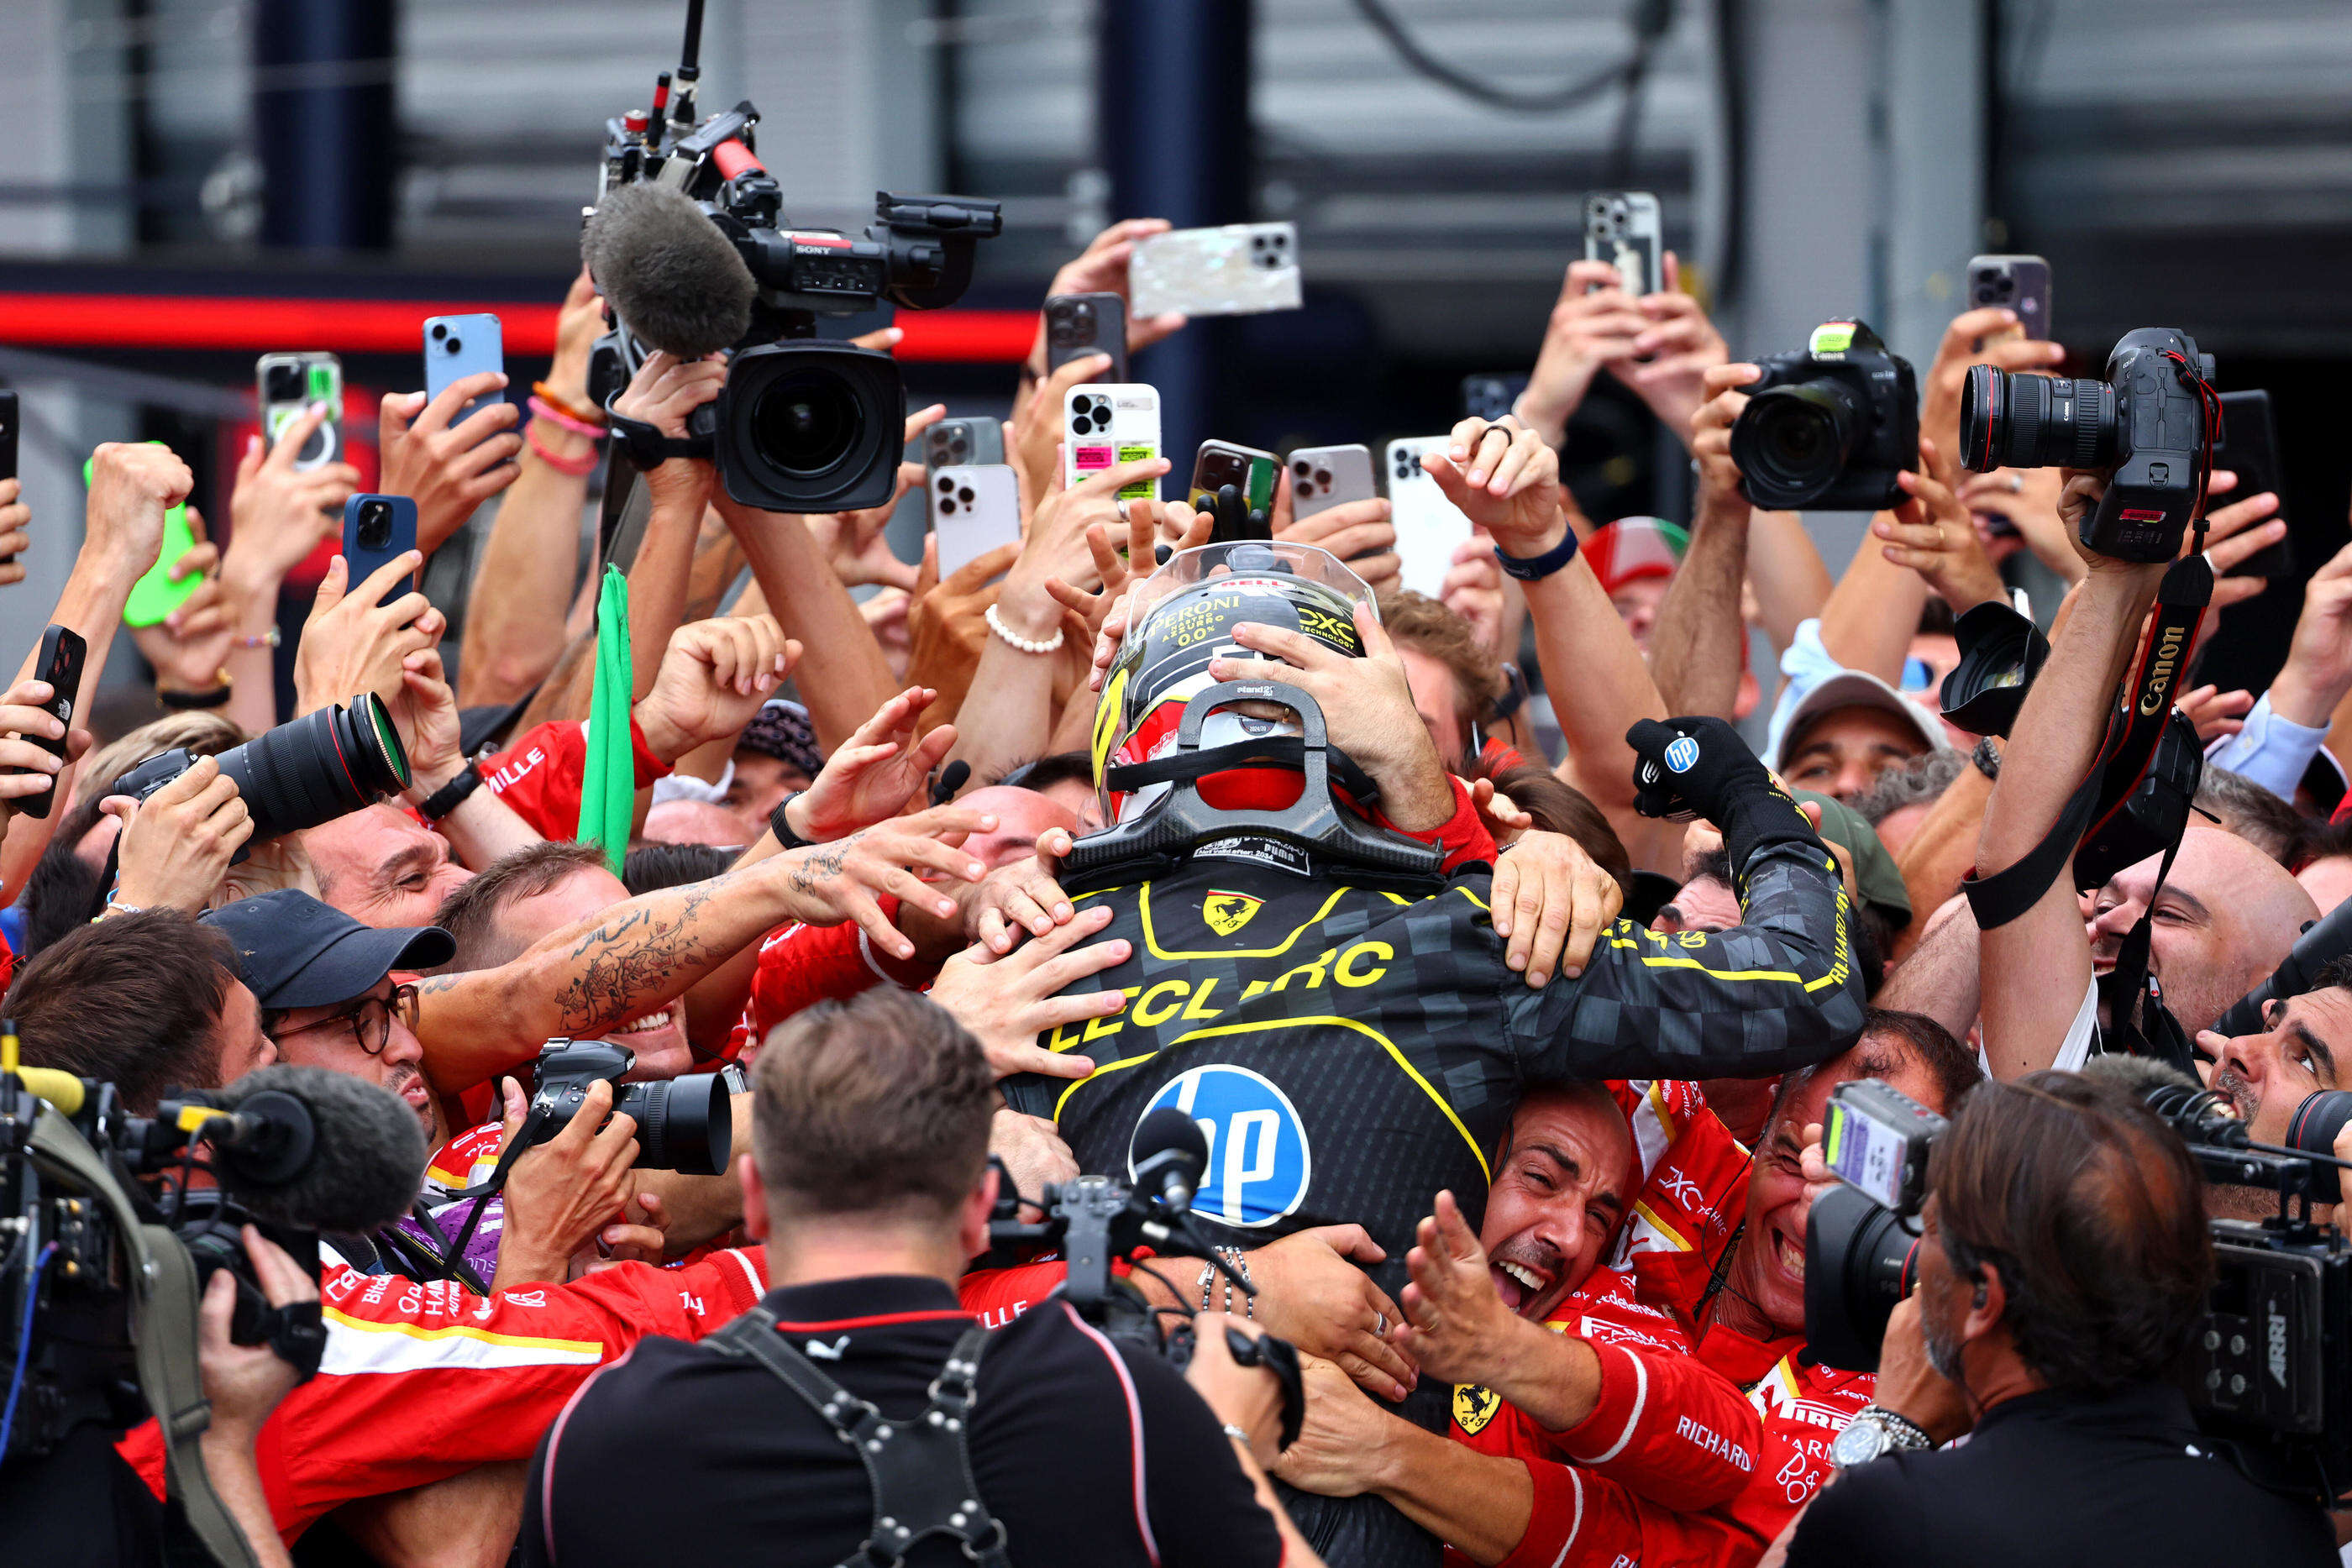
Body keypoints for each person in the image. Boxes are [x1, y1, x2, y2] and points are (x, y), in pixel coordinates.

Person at [1005, 428, 1858, 1561]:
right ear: (1364, 730)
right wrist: (1746, 797)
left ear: (1130, 726)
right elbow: (1809, 982)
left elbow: (868, 1273)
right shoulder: (1465, 938)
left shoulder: (1029, 946)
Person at [520, 986, 1324, 1568]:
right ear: (980, 1210)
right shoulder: (1115, 1398)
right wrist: (1226, 1443)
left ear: (757, 1201)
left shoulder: (606, 1425)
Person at [1781, 1070, 2336, 1567]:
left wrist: (1893, 1424)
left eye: (1928, 1227)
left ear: (1982, 1300)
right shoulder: (2290, 1525)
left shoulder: (1896, 1516)